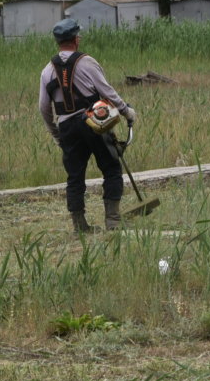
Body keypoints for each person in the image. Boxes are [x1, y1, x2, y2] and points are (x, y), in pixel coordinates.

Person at [39, 18, 137, 233]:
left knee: (75, 177)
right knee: (111, 168)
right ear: (76, 39)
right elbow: (107, 92)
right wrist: (126, 111)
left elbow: (44, 108)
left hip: (66, 127)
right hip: (93, 123)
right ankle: (112, 221)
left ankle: (80, 227)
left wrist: (57, 135)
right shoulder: (87, 62)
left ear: (58, 42)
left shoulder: (47, 70)